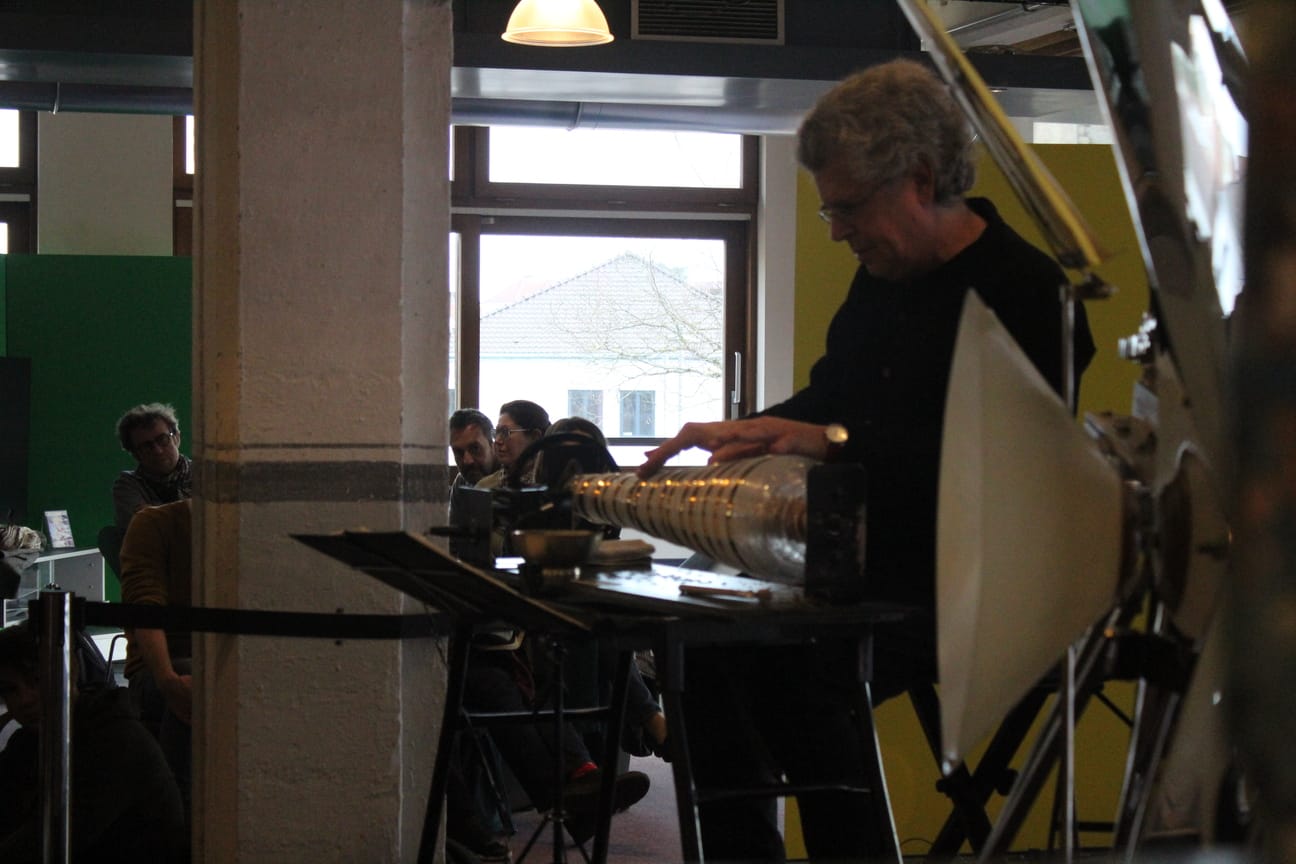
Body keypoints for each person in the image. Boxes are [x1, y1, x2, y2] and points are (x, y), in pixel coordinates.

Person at [639, 59, 1096, 861]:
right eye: (829, 210)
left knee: (803, 673)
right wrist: (751, 429)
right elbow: (832, 398)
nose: (837, 231)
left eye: (847, 207)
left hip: (970, 586)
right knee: (702, 650)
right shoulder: (880, 279)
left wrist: (828, 440)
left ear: (920, 180)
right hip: (861, 571)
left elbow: (996, 472)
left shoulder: (1027, 293)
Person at [0, 622, 187, 862]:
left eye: (37, 681)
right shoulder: (28, 743)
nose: (24, 699)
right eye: (11, 690)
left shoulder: (116, 741)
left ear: (71, 672)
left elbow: (49, 841)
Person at [118, 497, 194, 823]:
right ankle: (176, 818)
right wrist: (167, 679)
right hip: (160, 666)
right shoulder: (154, 524)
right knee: (192, 683)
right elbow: (145, 609)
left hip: (215, 662)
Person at [112, 402, 193, 533]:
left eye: (163, 439)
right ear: (135, 454)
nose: (158, 451)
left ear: (177, 437)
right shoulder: (128, 486)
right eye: (146, 447)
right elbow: (145, 527)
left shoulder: (205, 473)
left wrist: (153, 513)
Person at [482, 399, 551, 489]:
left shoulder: (553, 485)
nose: (497, 441)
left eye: (505, 432)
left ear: (535, 437)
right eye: (497, 432)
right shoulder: (484, 487)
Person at [449, 408, 501, 490]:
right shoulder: (461, 483)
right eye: (459, 452)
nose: (468, 461)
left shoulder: (512, 480)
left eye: (475, 448)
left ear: (493, 445)